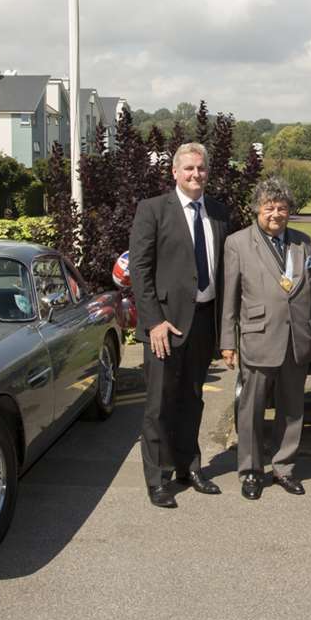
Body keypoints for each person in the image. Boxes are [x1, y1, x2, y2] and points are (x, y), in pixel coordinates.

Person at [128, 142, 229, 508]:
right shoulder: (153, 210)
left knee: (192, 400)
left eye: (200, 169)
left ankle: (189, 467)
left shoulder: (218, 212)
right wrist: (153, 322)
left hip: (204, 321)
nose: (195, 175)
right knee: (158, 404)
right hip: (165, 326)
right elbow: (139, 271)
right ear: (174, 172)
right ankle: (158, 479)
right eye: (188, 169)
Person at [220, 177, 311, 500]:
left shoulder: (305, 244)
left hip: (296, 340)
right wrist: (227, 341)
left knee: (293, 408)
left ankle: (284, 467)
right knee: (251, 410)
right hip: (258, 338)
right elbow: (230, 298)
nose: (275, 213)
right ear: (257, 210)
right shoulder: (237, 243)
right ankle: (250, 471)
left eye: (282, 207)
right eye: (269, 207)